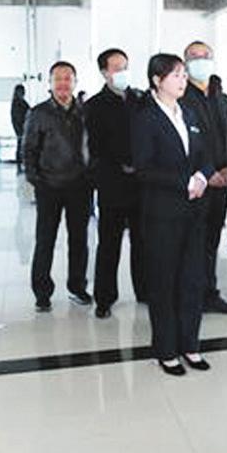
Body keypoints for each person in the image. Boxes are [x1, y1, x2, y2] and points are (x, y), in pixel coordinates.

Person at [133, 53, 215, 376]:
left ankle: (190, 345)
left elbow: (205, 154)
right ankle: (166, 350)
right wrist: (185, 182)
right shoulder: (146, 118)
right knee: (164, 283)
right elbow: (144, 168)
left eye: (183, 74)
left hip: (193, 213)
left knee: (192, 280)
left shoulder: (188, 113)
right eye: (176, 75)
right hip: (162, 214)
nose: (183, 80)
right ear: (157, 80)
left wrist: (203, 176)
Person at [179, 41, 227, 315]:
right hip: (195, 182)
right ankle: (189, 295)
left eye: (205, 55)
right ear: (185, 63)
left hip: (221, 183)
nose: (200, 60)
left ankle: (209, 292)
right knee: (191, 241)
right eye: (194, 56)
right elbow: (185, 143)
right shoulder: (180, 97)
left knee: (212, 240)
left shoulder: (222, 98)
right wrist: (207, 173)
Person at [84, 48, 147, 318]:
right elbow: (94, 148)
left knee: (143, 242)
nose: (123, 72)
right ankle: (105, 298)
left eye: (125, 67)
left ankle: (145, 290)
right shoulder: (94, 105)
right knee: (109, 244)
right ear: (104, 72)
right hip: (112, 184)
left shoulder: (141, 100)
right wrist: (120, 163)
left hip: (141, 183)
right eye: (117, 68)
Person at [24, 61, 91, 312]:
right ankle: (42, 292)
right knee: (45, 240)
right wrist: (36, 180)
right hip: (49, 186)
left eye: (68, 78)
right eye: (58, 78)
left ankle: (77, 286)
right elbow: (28, 149)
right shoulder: (38, 113)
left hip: (80, 186)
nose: (63, 83)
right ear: (50, 83)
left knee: (79, 240)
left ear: (75, 82)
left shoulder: (85, 111)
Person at [11, 83, 30, 173]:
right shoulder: (17, 103)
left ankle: (21, 166)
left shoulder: (21, 102)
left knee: (22, 147)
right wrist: (19, 130)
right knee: (21, 147)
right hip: (20, 128)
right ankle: (19, 166)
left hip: (23, 128)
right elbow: (17, 118)